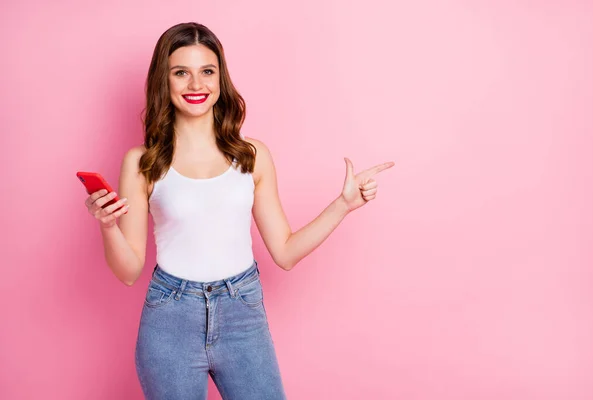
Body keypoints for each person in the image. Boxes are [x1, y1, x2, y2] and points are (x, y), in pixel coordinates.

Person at [83, 22, 394, 400]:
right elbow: (129, 271)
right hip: (170, 319)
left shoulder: (252, 156)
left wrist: (343, 205)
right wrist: (108, 226)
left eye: (207, 72)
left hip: (242, 312)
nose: (196, 85)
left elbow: (285, 252)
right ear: (163, 82)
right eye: (181, 73)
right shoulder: (143, 162)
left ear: (220, 78)